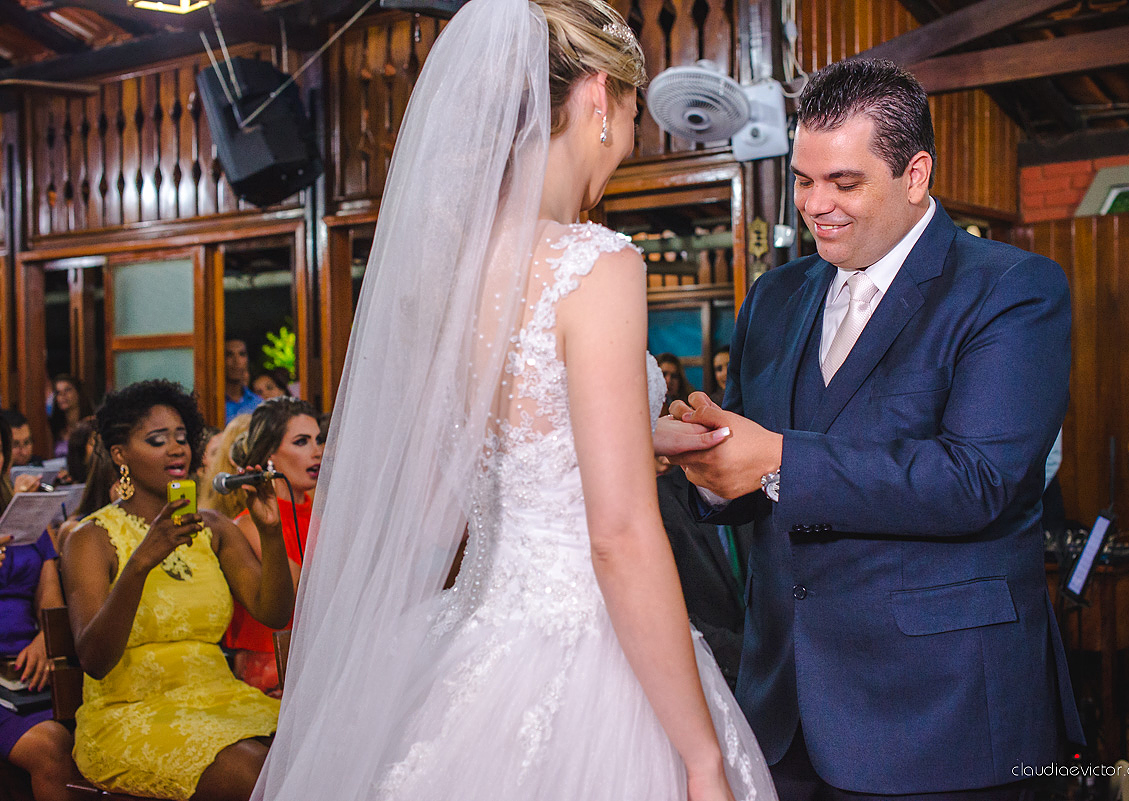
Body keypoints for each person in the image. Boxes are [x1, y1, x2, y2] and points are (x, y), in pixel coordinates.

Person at [250, 2, 771, 800]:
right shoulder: (596, 264)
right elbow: (620, 534)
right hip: (586, 644)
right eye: (633, 117)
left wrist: (648, 435)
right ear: (599, 98)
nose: (628, 146)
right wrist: (700, 757)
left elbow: (494, 452)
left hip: (477, 632)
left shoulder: (449, 276)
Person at [664, 59, 1083, 798]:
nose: (814, 205)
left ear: (915, 174)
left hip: (938, 714)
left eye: (844, 183)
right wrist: (709, 460)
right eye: (802, 179)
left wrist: (780, 459)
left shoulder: (1013, 289)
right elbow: (749, 466)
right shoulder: (775, 295)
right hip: (783, 706)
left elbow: (978, 480)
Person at [59, 380, 294, 801]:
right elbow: (94, 659)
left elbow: (273, 612)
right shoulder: (90, 538)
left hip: (220, 698)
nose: (177, 449)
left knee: (313, 748)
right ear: (120, 455)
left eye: (182, 438)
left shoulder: (213, 527)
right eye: (157, 440)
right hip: (130, 715)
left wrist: (270, 532)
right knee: (259, 773)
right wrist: (141, 562)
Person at [0, 414, 77, 801]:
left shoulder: (23, 515)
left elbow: (51, 598)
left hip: (30, 666)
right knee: (50, 744)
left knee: (92, 728)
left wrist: (46, 638)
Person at [225, 398, 322, 694]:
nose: (317, 451)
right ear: (270, 455)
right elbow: (301, 593)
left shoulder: (323, 518)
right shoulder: (248, 526)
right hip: (271, 665)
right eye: (301, 442)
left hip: (321, 653)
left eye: (319, 440)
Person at [656, 456, 748, 688]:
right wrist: (749, 656)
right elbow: (671, 615)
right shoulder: (658, 500)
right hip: (712, 673)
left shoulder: (762, 485)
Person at [49, 375, 93, 459]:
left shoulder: (90, 423)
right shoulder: (56, 428)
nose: (62, 395)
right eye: (58, 392)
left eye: (67, 390)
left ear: (78, 393)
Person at [225, 339, 263, 422]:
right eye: (229, 355)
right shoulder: (212, 404)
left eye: (241, 354)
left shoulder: (258, 404)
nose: (236, 361)